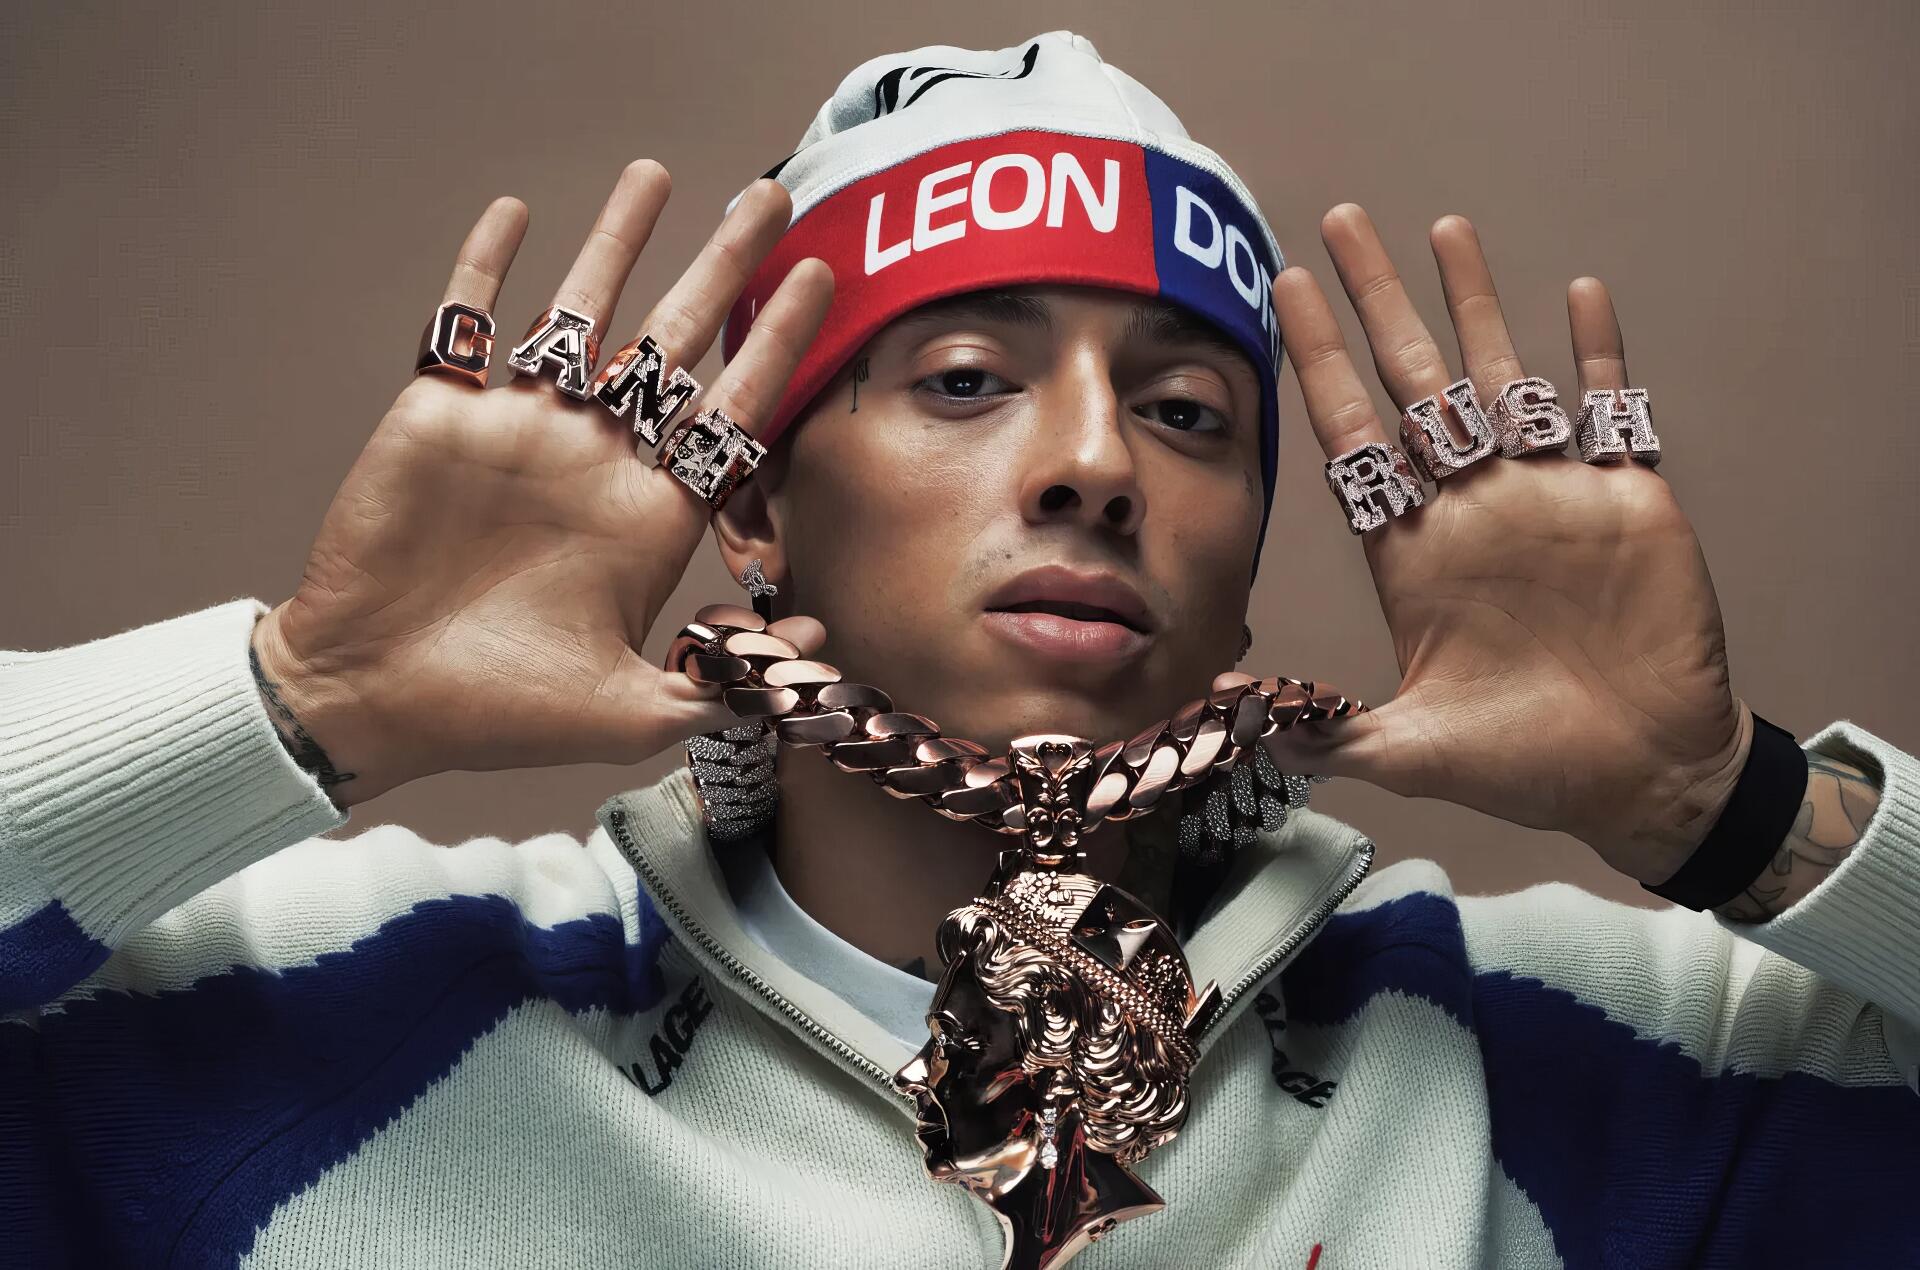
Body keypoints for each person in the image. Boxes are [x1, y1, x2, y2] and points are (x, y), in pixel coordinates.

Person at [3, 27, 1916, 1269]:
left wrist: (1731, 807)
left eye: (1186, 413)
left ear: (1254, 557)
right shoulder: (344, 1019)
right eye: (969, 377)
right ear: (746, 500)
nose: (1093, 464)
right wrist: (300, 699)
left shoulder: (1564, 1062)